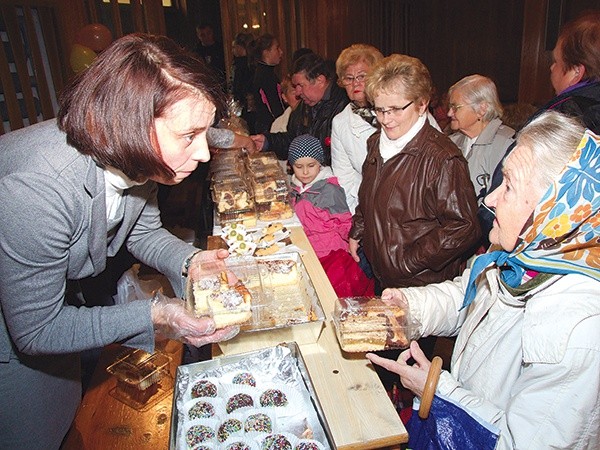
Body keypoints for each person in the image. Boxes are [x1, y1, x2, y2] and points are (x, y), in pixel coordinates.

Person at [0, 33, 239, 449]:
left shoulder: (134, 155)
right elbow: (36, 331)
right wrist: (158, 312)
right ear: (130, 124)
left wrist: (191, 260)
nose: (202, 153)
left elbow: (142, 233)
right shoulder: (36, 190)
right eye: (189, 136)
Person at [367, 111, 600, 450]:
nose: (489, 199)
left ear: (554, 210)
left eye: (508, 186)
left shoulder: (577, 329)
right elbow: (469, 295)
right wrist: (410, 306)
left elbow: (520, 443)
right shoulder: (522, 254)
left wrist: (435, 388)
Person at [348, 54, 480, 378]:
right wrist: (358, 229)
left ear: (422, 105)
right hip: (386, 275)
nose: (386, 119)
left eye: (396, 109)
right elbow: (368, 195)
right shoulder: (376, 142)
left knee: (406, 371)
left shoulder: (443, 158)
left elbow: (464, 226)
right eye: (380, 109)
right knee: (384, 362)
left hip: (423, 287)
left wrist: (407, 260)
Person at [481, 11, 600, 238]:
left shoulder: (564, 115)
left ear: (577, 71)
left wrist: (489, 219)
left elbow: (510, 187)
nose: (551, 68)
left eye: (556, 62)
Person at [289, 134, 373, 297]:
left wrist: (354, 245)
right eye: (299, 166)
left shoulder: (330, 190)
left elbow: (344, 222)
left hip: (331, 256)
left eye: (311, 165)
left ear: (320, 163)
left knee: (330, 296)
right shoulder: (295, 188)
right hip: (308, 252)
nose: (305, 172)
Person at [447, 75, 515, 250]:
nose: (449, 113)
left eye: (455, 107)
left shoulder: (506, 144)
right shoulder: (451, 143)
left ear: (482, 109)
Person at [252, 52, 349, 165]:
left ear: (320, 81)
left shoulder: (344, 106)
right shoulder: (304, 105)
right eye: (295, 86)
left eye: (300, 85)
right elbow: (294, 140)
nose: (297, 93)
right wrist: (267, 142)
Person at [249, 33, 285, 134]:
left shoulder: (268, 73)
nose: (281, 52)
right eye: (277, 48)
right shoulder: (265, 76)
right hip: (270, 128)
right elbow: (274, 107)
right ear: (266, 52)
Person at [230, 32, 255, 132]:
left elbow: (238, 86)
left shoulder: (241, 65)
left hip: (245, 104)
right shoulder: (251, 63)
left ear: (240, 47)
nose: (233, 51)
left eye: (234, 47)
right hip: (248, 104)